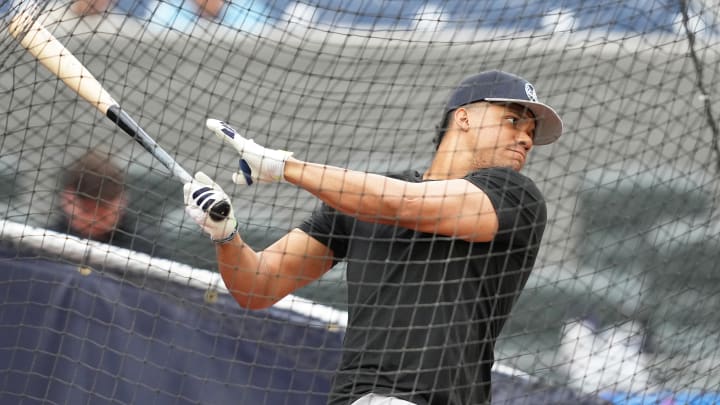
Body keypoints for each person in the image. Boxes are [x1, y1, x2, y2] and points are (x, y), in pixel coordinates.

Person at [184, 70, 563, 404]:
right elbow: (257, 286)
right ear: (464, 117)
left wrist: (286, 168)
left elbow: (406, 205)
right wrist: (226, 234)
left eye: (530, 131)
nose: (526, 139)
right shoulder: (364, 201)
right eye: (512, 121)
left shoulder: (515, 196)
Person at [52, 149, 156, 255]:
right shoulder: (45, 242)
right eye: (87, 211)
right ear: (67, 198)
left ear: (122, 201)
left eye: (103, 216)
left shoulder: (144, 251)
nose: (94, 221)